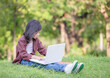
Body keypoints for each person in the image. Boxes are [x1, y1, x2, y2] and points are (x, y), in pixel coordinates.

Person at [12, 19, 84, 74]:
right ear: (32, 32)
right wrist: (35, 57)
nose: (38, 34)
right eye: (38, 33)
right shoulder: (22, 40)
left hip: (33, 59)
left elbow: (42, 49)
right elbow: (23, 54)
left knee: (50, 62)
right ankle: (65, 68)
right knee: (44, 65)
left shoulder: (36, 40)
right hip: (23, 61)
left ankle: (72, 68)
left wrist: (51, 56)